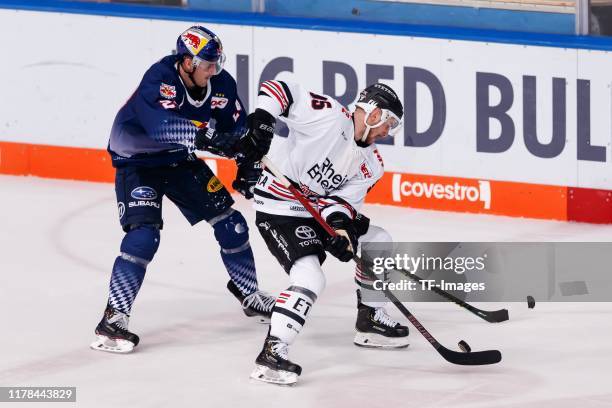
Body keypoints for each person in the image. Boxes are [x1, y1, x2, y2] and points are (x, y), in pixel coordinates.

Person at [90, 26, 275, 354]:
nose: (213, 70)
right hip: (138, 163)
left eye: (216, 63)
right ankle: (114, 317)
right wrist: (207, 138)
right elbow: (160, 127)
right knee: (143, 237)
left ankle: (249, 294)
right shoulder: (159, 78)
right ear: (187, 62)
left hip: (179, 160)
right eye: (207, 64)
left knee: (231, 223)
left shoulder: (221, 84)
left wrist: (249, 164)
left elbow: (238, 131)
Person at [246, 80, 409, 385]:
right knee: (310, 277)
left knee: (378, 240)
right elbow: (279, 89)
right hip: (279, 207)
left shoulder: (372, 164)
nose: (388, 132)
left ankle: (370, 319)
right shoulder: (329, 116)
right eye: (390, 123)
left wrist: (341, 231)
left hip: (316, 210)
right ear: (374, 114)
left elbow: (342, 205)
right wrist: (263, 122)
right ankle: (272, 352)